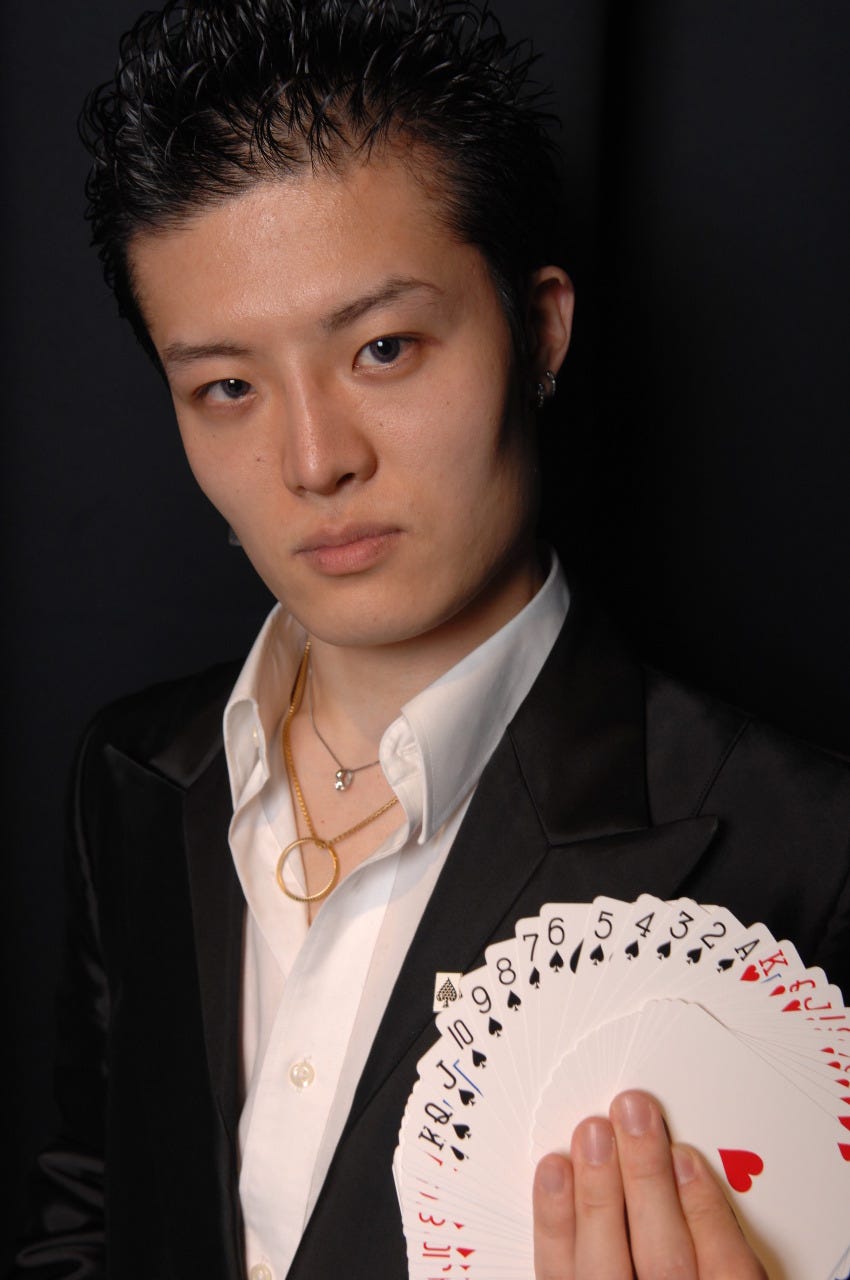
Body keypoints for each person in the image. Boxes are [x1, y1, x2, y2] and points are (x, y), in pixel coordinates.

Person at [11, 2, 850, 1277]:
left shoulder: (806, 852)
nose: (314, 459)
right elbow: (86, 1216)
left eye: (383, 347)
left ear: (540, 330)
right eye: (227, 386)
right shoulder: (133, 767)